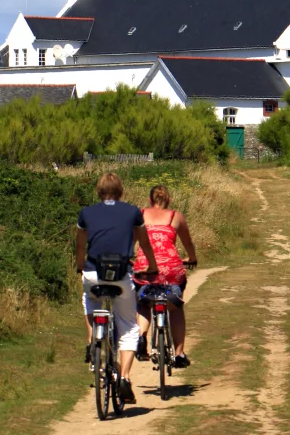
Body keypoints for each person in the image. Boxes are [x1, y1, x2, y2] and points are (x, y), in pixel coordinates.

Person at [76, 171, 159, 405]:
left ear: (98, 191)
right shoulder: (132, 212)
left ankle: (93, 339)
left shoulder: (86, 213)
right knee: (129, 326)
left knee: (89, 300)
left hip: (93, 273)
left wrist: (80, 266)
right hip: (121, 275)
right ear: (121, 191)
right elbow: (144, 243)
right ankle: (124, 377)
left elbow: (80, 244)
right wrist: (151, 267)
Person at [133, 184, 197, 368]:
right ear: (169, 200)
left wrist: (130, 260)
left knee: (143, 304)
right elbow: (188, 243)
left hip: (146, 269)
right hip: (171, 270)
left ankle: (142, 337)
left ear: (149, 200)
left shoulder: (140, 216)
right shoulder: (176, 217)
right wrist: (192, 258)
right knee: (176, 308)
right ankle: (179, 354)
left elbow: (130, 243)